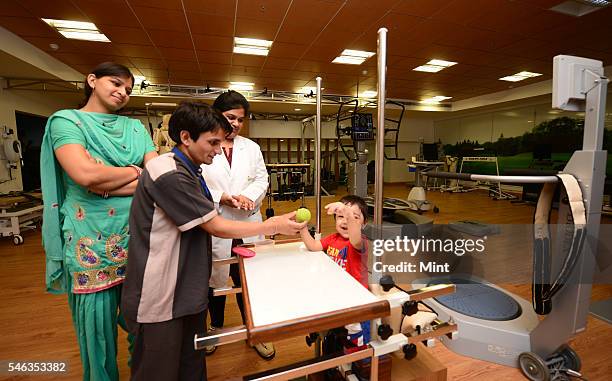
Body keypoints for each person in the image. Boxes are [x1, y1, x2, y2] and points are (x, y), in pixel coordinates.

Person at [121, 102, 305, 381]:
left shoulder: (190, 169)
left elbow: (253, 183)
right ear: (186, 137)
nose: (219, 150)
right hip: (161, 291)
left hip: (186, 286)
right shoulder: (168, 172)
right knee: (158, 370)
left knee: (191, 365)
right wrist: (274, 225)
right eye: (213, 142)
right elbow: (214, 225)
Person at [40, 62, 158, 381]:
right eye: (115, 83)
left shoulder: (135, 128)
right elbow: (84, 174)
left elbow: (157, 177)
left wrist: (105, 184)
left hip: (137, 234)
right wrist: (136, 172)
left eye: (129, 89)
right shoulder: (67, 121)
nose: (122, 92)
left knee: (143, 322)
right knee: (96, 329)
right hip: (90, 240)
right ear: (92, 80)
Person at [200, 90, 274, 358]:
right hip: (216, 225)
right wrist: (224, 198)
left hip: (247, 223)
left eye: (240, 120)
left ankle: (254, 332)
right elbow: (198, 184)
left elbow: (261, 179)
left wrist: (247, 198)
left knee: (249, 281)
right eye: (230, 117)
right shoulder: (205, 144)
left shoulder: (250, 148)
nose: (235, 124)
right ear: (216, 114)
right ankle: (215, 330)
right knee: (215, 282)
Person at [299, 195, 370, 350]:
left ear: (364, 224)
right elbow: (313, 245)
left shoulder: (360, 242)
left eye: (354, 217)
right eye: (340, 217)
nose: (345, 221)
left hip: (356, 301)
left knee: (357, 345)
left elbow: (355, 236)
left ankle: (359, 364)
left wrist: (345, 210)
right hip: (337, 296)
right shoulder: (333, 239)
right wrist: (302, 227)